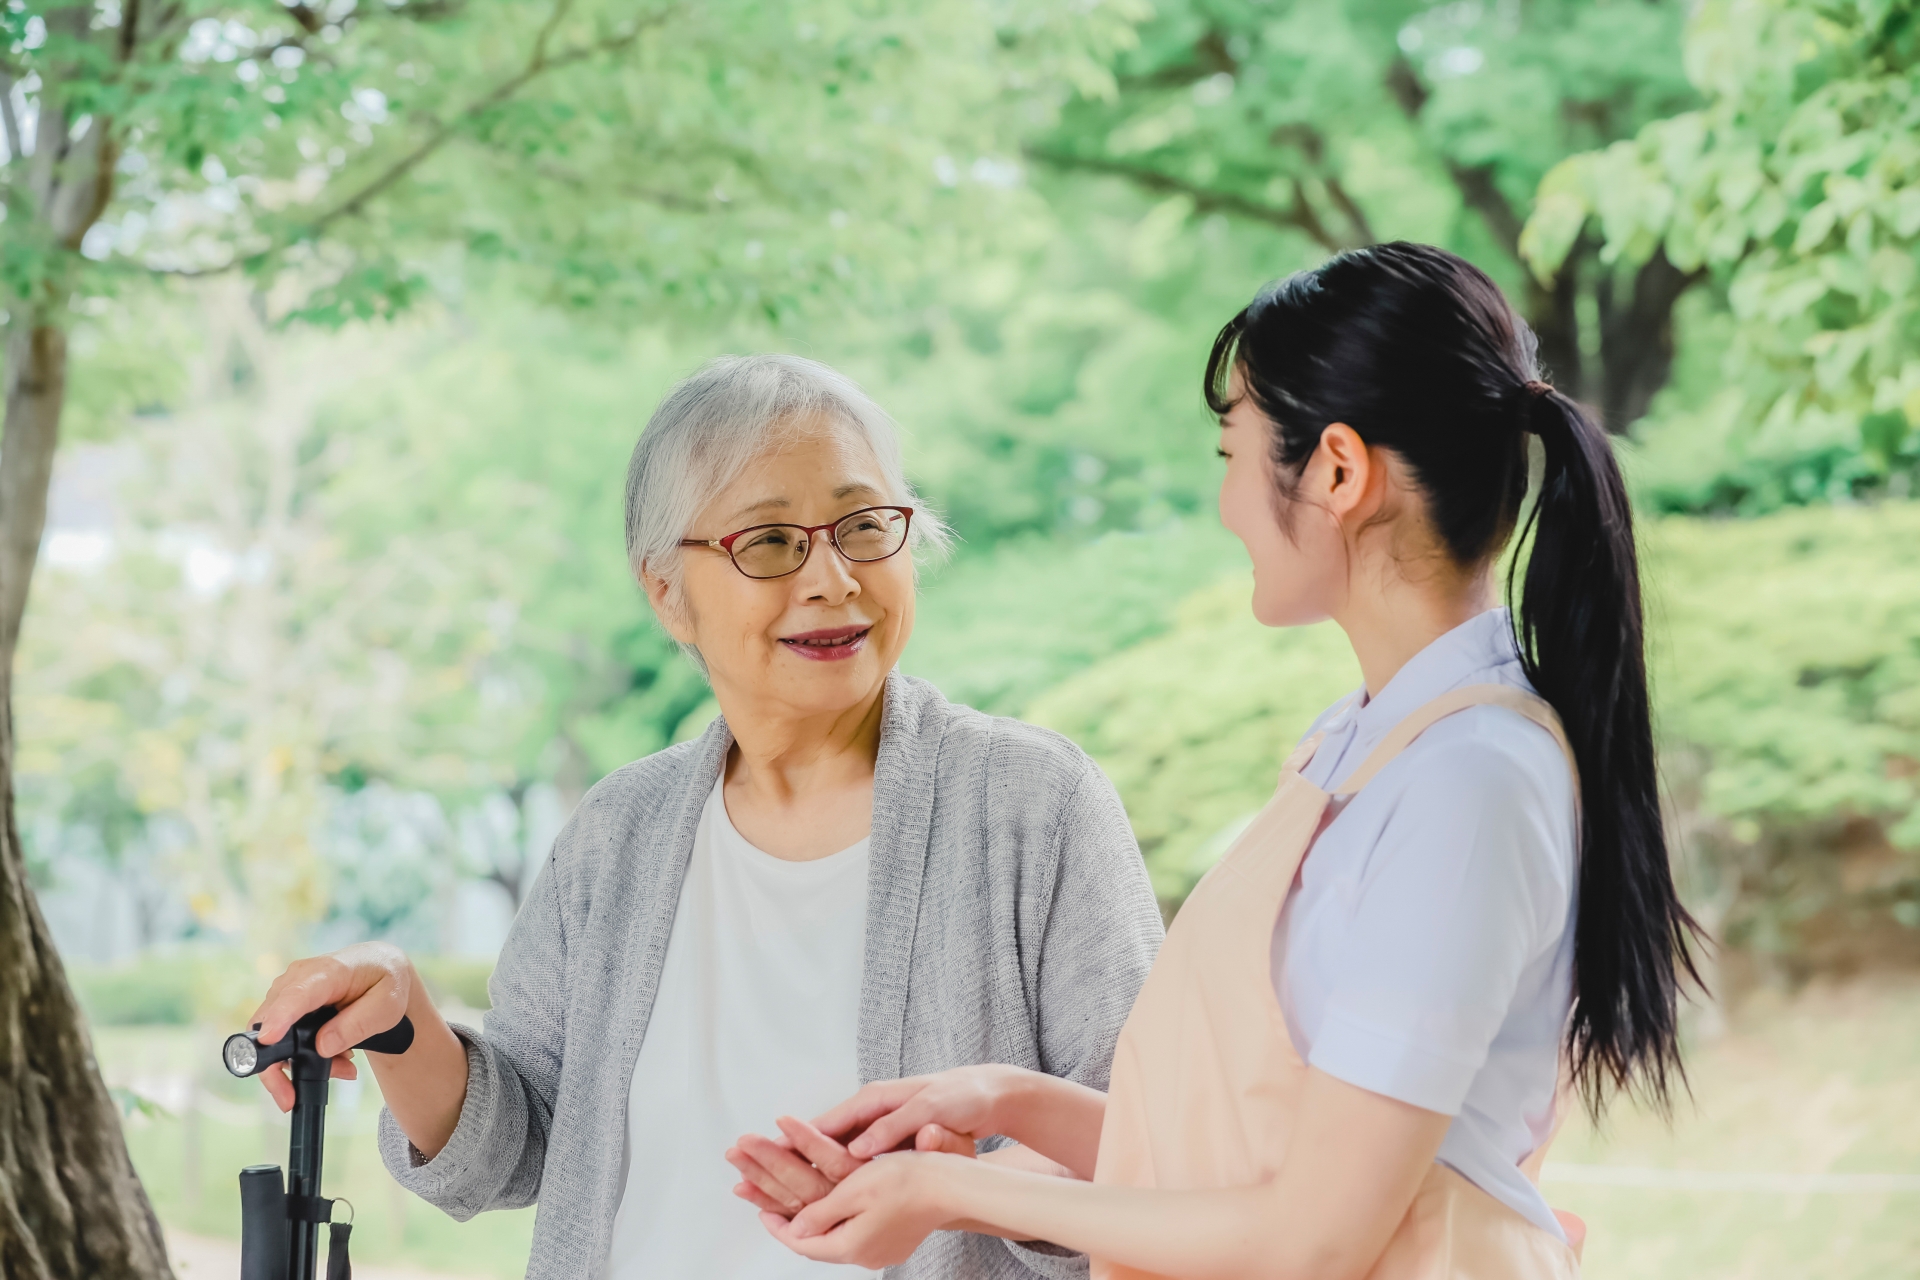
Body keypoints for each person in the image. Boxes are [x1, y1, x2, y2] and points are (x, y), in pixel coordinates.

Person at [734, 243, 1702, 1279]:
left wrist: (945, 1189)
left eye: (1232, 453)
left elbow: (1312, 1235)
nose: (1230, 503)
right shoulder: (1370, 749)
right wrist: (998, 1101)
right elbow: (1244, 1164)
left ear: (1337, 468)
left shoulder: (1469, 783)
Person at [243, 354, 1165, 1280]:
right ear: (662, 590)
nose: (833, 579)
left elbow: (1150, 1138)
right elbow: (515, 1147)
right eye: (769, 541)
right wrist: (403, 1020)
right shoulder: (618, 835)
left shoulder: (1033, 805)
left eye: (864, 525)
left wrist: (958, 1189)